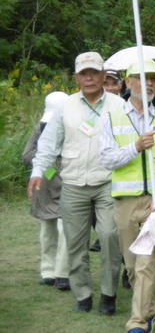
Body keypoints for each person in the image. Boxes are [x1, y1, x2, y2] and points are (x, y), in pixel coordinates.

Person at [27, 52, 122, 314]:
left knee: (109, 236)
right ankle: (83, 295)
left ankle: (108, 294)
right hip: (73, 183)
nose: (89, 77)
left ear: (104, 75)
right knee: (75, 242)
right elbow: (48, 144)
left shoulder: (118, 105)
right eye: (83, 73)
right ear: (76, 77)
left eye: (94, 72)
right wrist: (38, 172)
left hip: (107, 182)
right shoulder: (64, 107)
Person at [99, 59, 155, 333]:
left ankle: (137, 323)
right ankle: (151, 311)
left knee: (146, 265)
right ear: (127, 82)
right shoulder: (110, 117)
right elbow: (107, 159)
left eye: (154, 79)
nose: (148, 83)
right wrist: (135, 147)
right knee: (133, 268)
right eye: (142, 77)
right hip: (124, 202)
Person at [22, 91, 71, 292]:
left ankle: (63, 274)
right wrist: (46, 157)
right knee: (47, 232)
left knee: (65, 230)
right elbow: (26, 155)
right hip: (45, 186)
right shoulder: (39, 129)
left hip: (69, 184)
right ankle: (48, 272)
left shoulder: (74, 126)